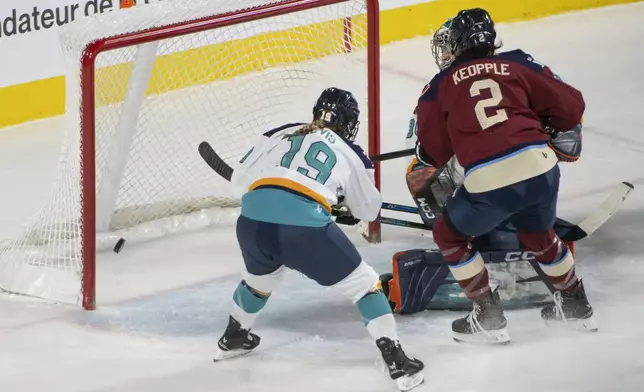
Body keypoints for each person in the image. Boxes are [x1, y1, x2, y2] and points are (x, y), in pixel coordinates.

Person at [214, 88, 425, 391]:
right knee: (366, 286)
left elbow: (239, 182)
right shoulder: (353, 154)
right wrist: (340, 202)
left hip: (252, 224)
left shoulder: (281, 132)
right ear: (350, 123)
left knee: (259, 282)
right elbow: (369, 209)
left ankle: (233, 337)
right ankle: (398, 362)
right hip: (303, 229)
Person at [412, 8, 595, 344]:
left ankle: (488, 317)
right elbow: (571, 108)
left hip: (490, 178)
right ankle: (575, 305)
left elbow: (434, 152)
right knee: (538, 235)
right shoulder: (518, 62)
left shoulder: (439, 85)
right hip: (541, 167)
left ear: (457, 42)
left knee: (448, 236)